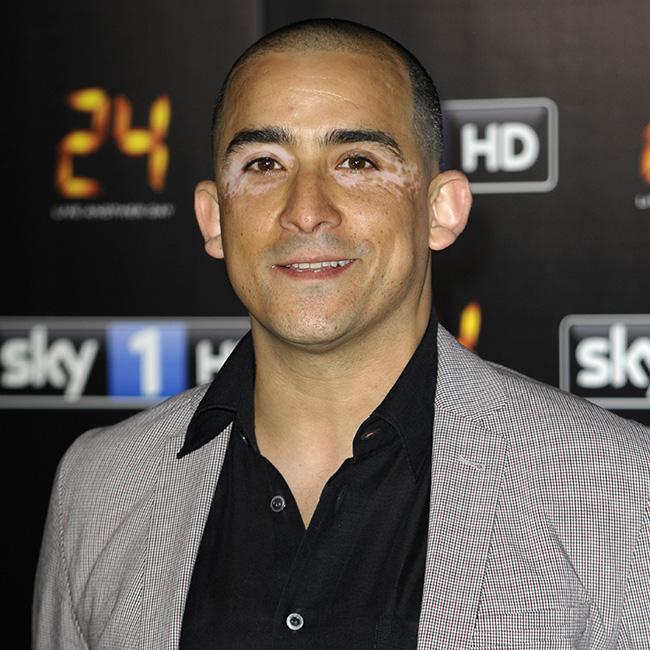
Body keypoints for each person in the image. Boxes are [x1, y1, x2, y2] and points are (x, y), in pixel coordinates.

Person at [33, 18, 649, 650]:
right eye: (265, 164)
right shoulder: (100, 483)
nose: (306, 211)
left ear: (440, 210)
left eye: (356, 162)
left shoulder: (620, 491)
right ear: (214, 218)